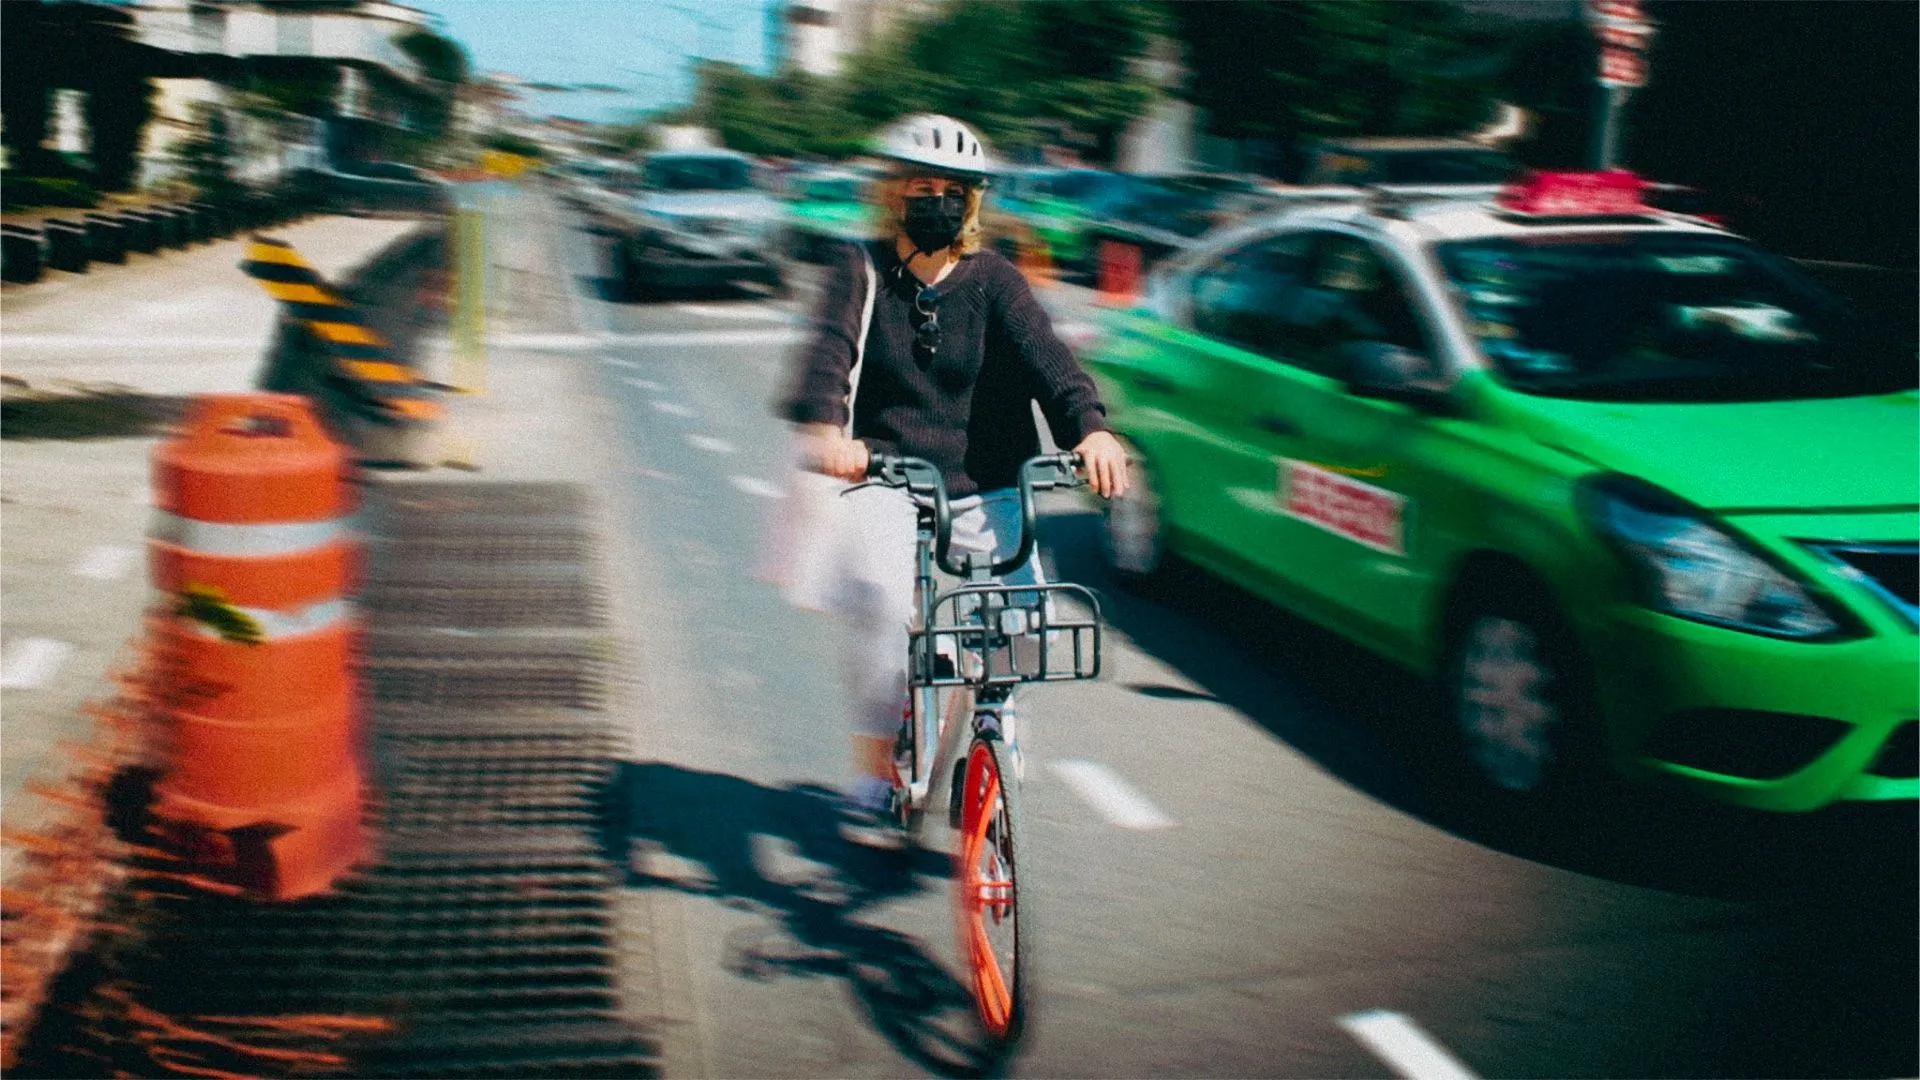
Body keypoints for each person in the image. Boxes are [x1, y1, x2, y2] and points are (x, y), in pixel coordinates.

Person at [775, 113, 1129, 843]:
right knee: (879, 601)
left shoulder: (995, 279)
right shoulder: (861, 269)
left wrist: (1091, 428)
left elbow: (1050, 360)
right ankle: (876, 768)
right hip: (886, 476)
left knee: (1026, 625)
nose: (937, 201)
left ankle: (997, 721)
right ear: (892, 194)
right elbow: (828, 356)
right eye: (921, 186)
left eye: (952, 191)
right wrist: (824, 430)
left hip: (987, 481)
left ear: (971, 202)